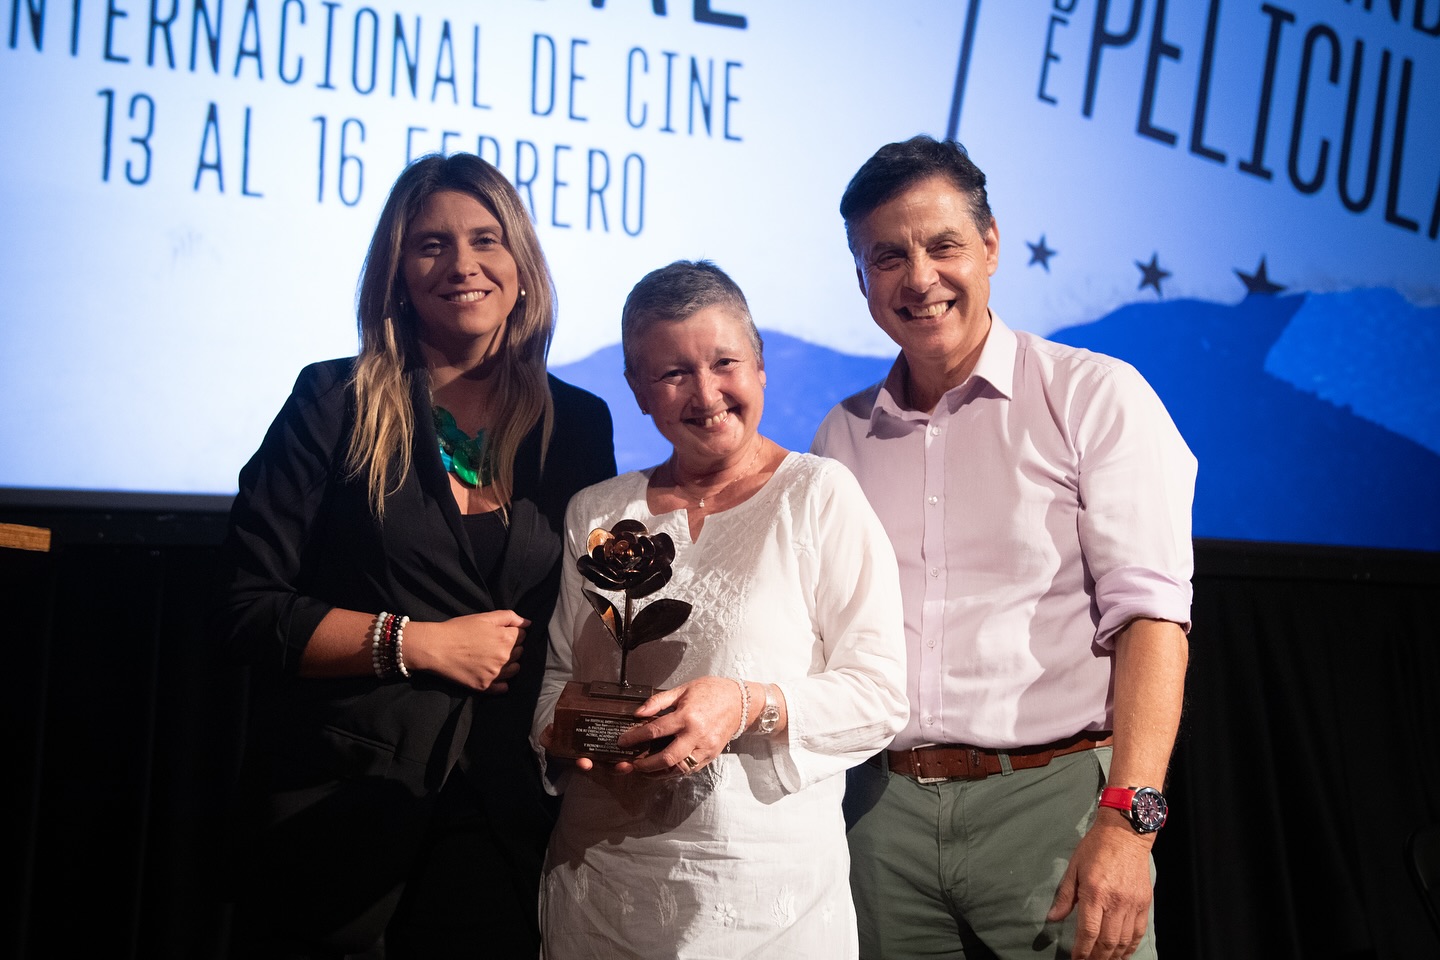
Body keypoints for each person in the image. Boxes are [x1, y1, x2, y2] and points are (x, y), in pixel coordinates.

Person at [213, 152, 616, 958]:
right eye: (431, 244)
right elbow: (244, 607)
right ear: (397, 274)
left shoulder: (577, 423)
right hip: (337, 811)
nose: (462, 264)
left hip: (503, 812)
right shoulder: (333, 403)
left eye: (485, 240)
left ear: (522, 267)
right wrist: (415, 643)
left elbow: (589, 613)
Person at [812, 135, 1196, 960]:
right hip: (879, 819)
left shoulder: (1096, 396)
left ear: (990, 245)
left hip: (1055, 809)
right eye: (888, 257)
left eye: (943, 245)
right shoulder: (840, 437)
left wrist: (1130, 824)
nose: (919, 278)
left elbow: (1153, 622)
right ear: (861, 277)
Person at [531, 260, 909, 958]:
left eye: (724, 362)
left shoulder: (819, 495)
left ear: (760, 367)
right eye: (673, 373)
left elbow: (880, 695)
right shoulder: (598, 510)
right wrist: (571, 735)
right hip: (601, 887)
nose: (705, 394)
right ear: (638, 391)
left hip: (764, 895)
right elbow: (557, 678)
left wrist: (745, 703)